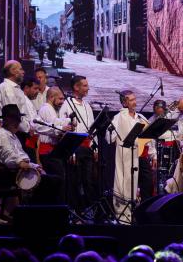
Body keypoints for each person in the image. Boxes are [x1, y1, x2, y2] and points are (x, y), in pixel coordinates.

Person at [0, 104, 60, 214]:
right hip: (6, 175)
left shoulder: (13, 136)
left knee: (54, 178)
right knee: (49, 182)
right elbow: (10, 158)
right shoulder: (2, 134)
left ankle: (44, 216)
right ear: (7, 120)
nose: (18, 122)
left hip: (17, 171)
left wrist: (35, 166)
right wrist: (27, 165)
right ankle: (37, 216)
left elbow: (22, 156)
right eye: (16, 119)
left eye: (19, 119)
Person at [107, 91, 155, 224]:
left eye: (135, 99)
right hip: (126, 155)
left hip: (139, 155)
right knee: (125, 182)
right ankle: (124, 215)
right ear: (124, 103)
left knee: (145, 183)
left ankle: (141, 213)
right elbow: (109, 136)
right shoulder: (119, 117)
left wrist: (153, 153)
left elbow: (149, 138)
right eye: (131, 100)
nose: (134, 102)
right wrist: (113, 135)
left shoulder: (140, 118)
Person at [58, 75, 98, 211]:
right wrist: (70, 151)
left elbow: (93, 128)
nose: (88, 88)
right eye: (85, 86)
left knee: (88, 181)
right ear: (76, 87)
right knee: (75, 180)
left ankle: (88, 210)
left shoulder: (87, 106)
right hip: (75, 148)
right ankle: (75, 211)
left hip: (87, 148)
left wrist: (95, 149)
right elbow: (63, 128)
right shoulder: (67, 105)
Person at [36, 87, 75, 203]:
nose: (63, 102)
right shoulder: (46, 109)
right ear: (52, 97)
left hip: (53, 151)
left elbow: (57, 124)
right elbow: (53, 128)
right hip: (48, 152)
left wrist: (67, 123)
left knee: (60, 181)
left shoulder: (52, 109)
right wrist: (64, 127)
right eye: (60, 99)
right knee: (58, 181)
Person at [0, 60, 33, 134]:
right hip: (12, 132)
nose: (23, 72)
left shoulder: (16, 88)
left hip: (18, 131)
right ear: (12, 71)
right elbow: (13, 115)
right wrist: (27, 129)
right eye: (20, 69)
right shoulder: (7, 88)